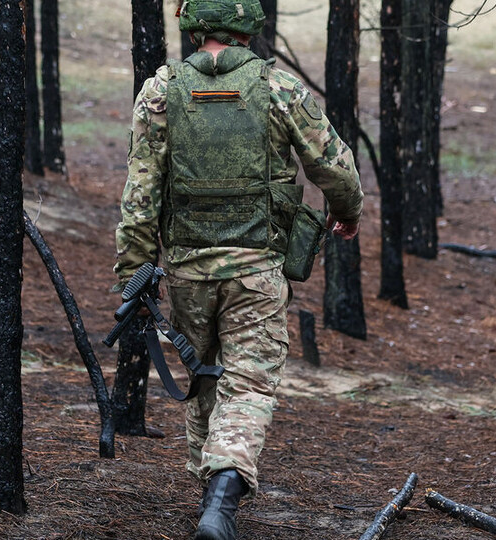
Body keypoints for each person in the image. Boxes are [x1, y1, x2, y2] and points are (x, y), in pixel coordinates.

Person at [113, 1, 363, 538]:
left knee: (205, 378)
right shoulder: (280, 89)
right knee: (248, 384)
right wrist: (347, 214)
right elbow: (334, 166)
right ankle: (222, 498)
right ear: (249, 23)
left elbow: (139, 196)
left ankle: (212, 493)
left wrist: (134, 270)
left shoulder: (161, 91)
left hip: (185, 270)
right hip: (256, 272)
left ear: (194, 24)